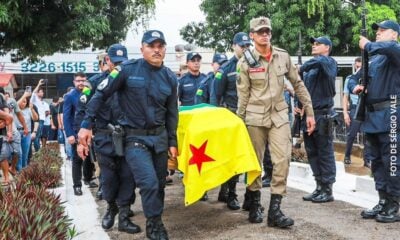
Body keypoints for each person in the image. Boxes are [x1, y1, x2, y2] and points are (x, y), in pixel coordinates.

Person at [78, 30, 178, 240]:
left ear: (165, 50)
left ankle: (152, 222)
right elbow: (100, 94)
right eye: (152, 46)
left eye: (160, 46)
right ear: (142, 49)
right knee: (148, 183)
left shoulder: (170, 77)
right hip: (135, 139)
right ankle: (154, 224)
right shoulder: (125, 70)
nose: (156, 50)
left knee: (159, 184)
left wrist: (172, 142)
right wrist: (86, 125)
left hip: (159, 139)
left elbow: (172, 113)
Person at [237, 16, 315, 227]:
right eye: (260, 32)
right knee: (254, 164)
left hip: (279, 116)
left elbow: (297, 84)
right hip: (254, 118)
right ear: (252, 35)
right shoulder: (245, 62)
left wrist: (309, 112)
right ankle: (254, 203)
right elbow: (243, 95)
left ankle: (275, 211)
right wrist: (239, 121)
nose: (265, 35)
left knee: (282, 161)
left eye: (267, 31)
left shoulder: (283, 56)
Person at [77, 44, 139, 234]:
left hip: (128, 136)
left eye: (123, 62)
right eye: (115, 62)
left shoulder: (133, 82)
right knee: (109, 177)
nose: (119, 65)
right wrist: (82, 134)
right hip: (104, 137)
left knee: (128, 176)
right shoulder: (94, 83)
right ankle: (111, 209)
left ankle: (125, 215)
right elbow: (84, 109)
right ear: (107, 62)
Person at [350, 20, 400, 223]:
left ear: (394, 34)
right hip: (372, 117)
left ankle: (394, 204)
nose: (378, 34)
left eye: (382, 31)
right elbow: (356, 77)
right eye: (376, 31)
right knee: (377, 162)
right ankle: (383, 200)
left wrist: (368, 45)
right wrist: (359, 86)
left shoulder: (394, 51)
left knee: (392, 162)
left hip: (391, 114)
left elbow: (388, 47)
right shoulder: (377, 59)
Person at [212, 32, 252, 211]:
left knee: (248, 157)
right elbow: (216, 96)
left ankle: (248, 195)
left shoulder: (254, 64)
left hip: (251, 116)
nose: (244, 49)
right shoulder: (225, 69)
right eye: (241, 46)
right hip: (231, 117)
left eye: (247, 46)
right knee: (232, 159)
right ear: (233, 46)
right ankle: (231, 194)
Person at [298, 36, 337, 204]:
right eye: (313, 43)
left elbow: (316, 63)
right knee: (312, 152)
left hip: (323, 115)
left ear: (327, 47)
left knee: (325, 152)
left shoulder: (328, 63)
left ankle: (327, 189)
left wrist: (301, 67)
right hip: (309, 115)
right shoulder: (313, 67)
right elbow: (303, 89)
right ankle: (319, 186)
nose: (314, 46)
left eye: (318, 44)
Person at [63, 72, 96, 196]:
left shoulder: (89, 93)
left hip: (90, 130)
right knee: (77, 159)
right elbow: (66, 117)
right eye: (78, 81)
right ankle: (77, 185)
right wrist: (70, 134)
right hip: (76, 132)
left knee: (89, 157)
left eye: (83, 80)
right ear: (74, 82)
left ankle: (88, 178)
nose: (81, 83)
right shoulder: (69, 96)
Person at [30, 80, 50, 151]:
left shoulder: (41, 102)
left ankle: (37, 151)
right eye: (41, 92)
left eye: (42, 91)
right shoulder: (34, 99)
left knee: (38, 136)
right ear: (37, 93)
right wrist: (38, 84)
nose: (42, 93)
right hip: (38, 120)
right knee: (37, 136)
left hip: (42, 120)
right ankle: (37, 151)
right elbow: (33, 93)